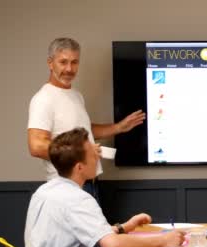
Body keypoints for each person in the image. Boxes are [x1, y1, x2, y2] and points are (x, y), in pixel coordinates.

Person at [23, 128, 184, 247]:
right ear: (79, 167)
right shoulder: (77, 199)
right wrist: (164, 240)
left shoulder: (45, 191)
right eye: (93, 155)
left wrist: (124, 227)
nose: (98, 159)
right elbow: (113, 246)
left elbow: (79, 231)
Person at [27, 37, 145, 183]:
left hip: (89, 182)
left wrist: (118, 127)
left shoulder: (76, 95)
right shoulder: (43, 98)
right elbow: (36, 146)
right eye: (63, 62)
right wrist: (82, 153)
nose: (69, 69)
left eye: (74, 62)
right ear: (50, 63)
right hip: (65, 185)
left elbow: (84, 131)